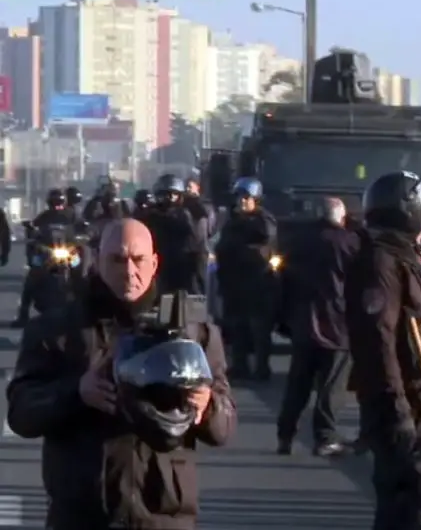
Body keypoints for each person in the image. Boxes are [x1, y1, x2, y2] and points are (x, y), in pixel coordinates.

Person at [5, 218, 236, 530]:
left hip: (162, 514)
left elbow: (223, 428)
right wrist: (77, 393)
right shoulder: (56, 330)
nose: (129, 271)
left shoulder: (194, 333)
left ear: (153, 263)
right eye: (117, 259)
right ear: (97, 261)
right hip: (81, 514)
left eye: (138, 260)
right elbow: (21, 413)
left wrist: (206, 405)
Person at [344, 171, 421, 529]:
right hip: (401, 402)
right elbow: (378, 340)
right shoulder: (381, 264)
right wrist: (397, 409)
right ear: (405, 212)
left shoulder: (403, 260)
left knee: (401, 500)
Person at [277, 197, 360, 456]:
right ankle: (325, 437)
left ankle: (285, 434)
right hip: (337, 323)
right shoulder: (349, 244)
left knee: (298, 383)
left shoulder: (299, 240)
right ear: (341, 216)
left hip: (303, 321)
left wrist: (284, 316)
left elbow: (283, 278)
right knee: (331, 385)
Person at [215, 177, 278, 380]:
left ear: (255, 200)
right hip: (235, 284)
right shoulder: (232, 221)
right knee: (237, 326)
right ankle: (240, 365)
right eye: (239, 197)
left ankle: (262, 367)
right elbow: (223, 247)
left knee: (259, 329)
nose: (242, 201)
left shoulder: (262, 219)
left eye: (247, 198)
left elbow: (266, 236)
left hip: (258, 284)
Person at [13, 189, 75, 327]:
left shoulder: (71, 215)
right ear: (49, 203)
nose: (57, 205)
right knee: (31, 278)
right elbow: (34, 228)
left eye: (59, 202)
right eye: (54, 202)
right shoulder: (44, 216)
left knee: (83, 274)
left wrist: (85, 233)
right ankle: (23, 315)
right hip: (47, 253)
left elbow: (82, 228)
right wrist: (31, 230)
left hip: (69, 252)